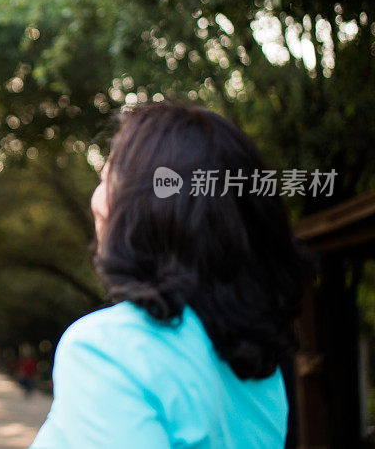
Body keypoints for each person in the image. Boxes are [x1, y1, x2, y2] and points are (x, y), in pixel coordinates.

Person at [30, 102, 312, 448]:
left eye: (105, 179)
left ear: (144, 209)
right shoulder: (259, 365)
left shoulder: (105, 349)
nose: (95, 201)